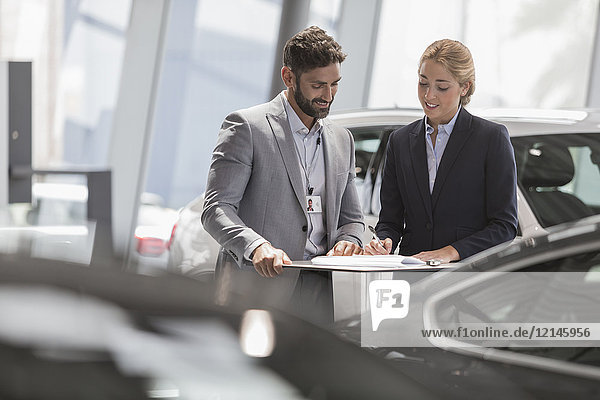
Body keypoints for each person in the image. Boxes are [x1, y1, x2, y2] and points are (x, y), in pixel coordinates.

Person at [202, 26, 364, 325]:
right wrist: (255, 246)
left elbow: (352, 219)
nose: (328, 96)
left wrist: (349, 240)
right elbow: (216, 209)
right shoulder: (246, 127)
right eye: (318, 85)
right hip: (257, 287)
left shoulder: (343, 139)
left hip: (320, 290)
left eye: (335, 84)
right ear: (288, 77)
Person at [365, 39, 518, 262]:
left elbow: (504, 227)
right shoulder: (399, 141)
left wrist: (451, 252)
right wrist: (384, 241)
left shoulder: (491, 138)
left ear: (465, 86)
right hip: (412, 274)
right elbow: (390, 221)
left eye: (442, 87)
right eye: (423, 83)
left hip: (466, 278)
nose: (429, 96)